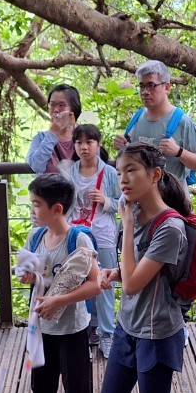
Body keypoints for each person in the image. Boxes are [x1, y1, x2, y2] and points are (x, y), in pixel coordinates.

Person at [92, 141, 188, 393]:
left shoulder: (170, 228)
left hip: (158, 332)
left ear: (155, 175)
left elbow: (133, 284)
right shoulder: (134, 217)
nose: (123, 177)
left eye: (132, 169)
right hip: (128, 326)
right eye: (120, 169)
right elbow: (133, 276)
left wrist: (127, 226)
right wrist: (115, 271)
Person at [17, 174, 103, 393]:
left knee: (75, 385)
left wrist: (59, 300)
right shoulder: (36, 236)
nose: (32, 210)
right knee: (41, 381)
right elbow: (29, 273)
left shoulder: (77, 239)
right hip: (40, 325)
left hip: (71, 327)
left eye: (37, 204)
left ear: (57, 208)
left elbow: (95, 285)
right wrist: (28, 277)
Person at [70, 123, 121, 358]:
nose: (84, 147)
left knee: (105, 283)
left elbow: (124, 202)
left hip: (104, 234)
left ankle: (107, 333)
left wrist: (105, 200)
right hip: (78, 235)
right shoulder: (70, 172)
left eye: (89, 142)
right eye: (79, 142)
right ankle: (89, 329)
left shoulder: (110, 173)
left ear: (98, 144)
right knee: (81, 282)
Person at [113, 60, 196, 184]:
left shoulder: (183, 122)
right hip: (141, 196)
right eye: (142, 86)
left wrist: (178, 151)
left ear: (167, 87)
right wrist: (122, 147)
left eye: (151, 85)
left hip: (172, 198)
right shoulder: (136, 119)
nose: (145, 92)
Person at [26, 84, 82, 178]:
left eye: (62, 105)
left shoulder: (85, 136)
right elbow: (36, 166)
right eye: (52, 105)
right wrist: (52, 134)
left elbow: (97, 166)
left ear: (74, 108)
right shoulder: (40, 138)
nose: (56, 110)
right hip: (48, 191)